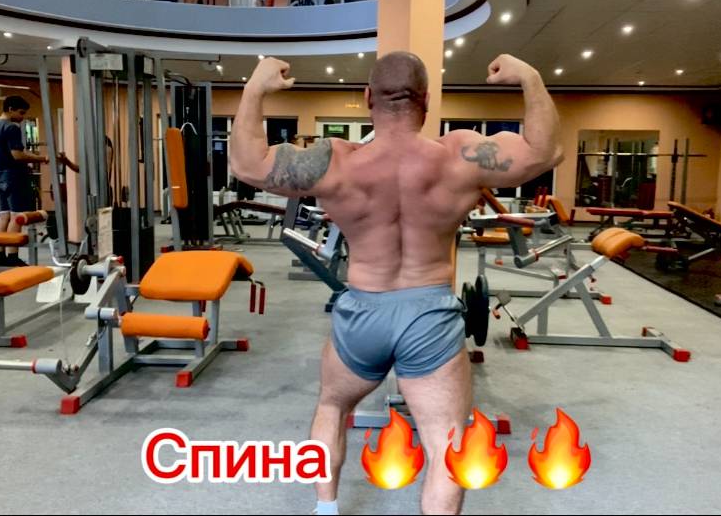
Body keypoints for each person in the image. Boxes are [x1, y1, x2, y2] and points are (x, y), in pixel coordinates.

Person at [230, 52, 562, 515]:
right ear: (426, 100)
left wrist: (255, 88)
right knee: (447, 442)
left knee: (332, 407)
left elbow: (247, 165)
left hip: (363, 311)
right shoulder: (460, 156)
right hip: (430, 314)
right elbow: (545, 151)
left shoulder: (337, 160)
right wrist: (530, 76)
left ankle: (325, 510)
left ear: (368, 98)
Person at [0, 95, 66, 266]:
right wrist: (43, 158)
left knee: (4, 216)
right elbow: (17, 155)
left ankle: (0, 256)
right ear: (10, 109)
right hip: (14, 176)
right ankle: (12, 256)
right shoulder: (11, 128)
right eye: (21, 113)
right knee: (16, 217)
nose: (22, 117)